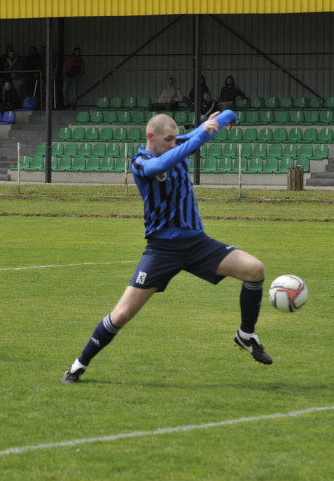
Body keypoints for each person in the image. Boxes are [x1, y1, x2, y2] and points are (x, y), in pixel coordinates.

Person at [61, 110, 271, 383]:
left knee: (255, 269)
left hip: (197, 244)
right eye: (169, 139)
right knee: (122, 313)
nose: (173, 143)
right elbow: (159, 167)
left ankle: (246, 334)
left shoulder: (177, 142)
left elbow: (209, 126)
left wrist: (230, 117)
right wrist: (199, 138)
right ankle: (79, 365)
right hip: (162, 251)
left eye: (175, 139)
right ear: (152, 137)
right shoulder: (139, 161)